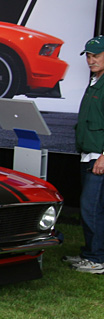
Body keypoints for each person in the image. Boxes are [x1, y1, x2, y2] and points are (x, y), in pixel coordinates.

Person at [69, 35, 104, 273]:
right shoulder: (94, 80)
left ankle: (96, 259)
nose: (91, 60)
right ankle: (90, 253)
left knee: (91, 207)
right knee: (92, 208)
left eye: (96, 56)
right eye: (89, 56)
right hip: (87, 154)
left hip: (98, 157)